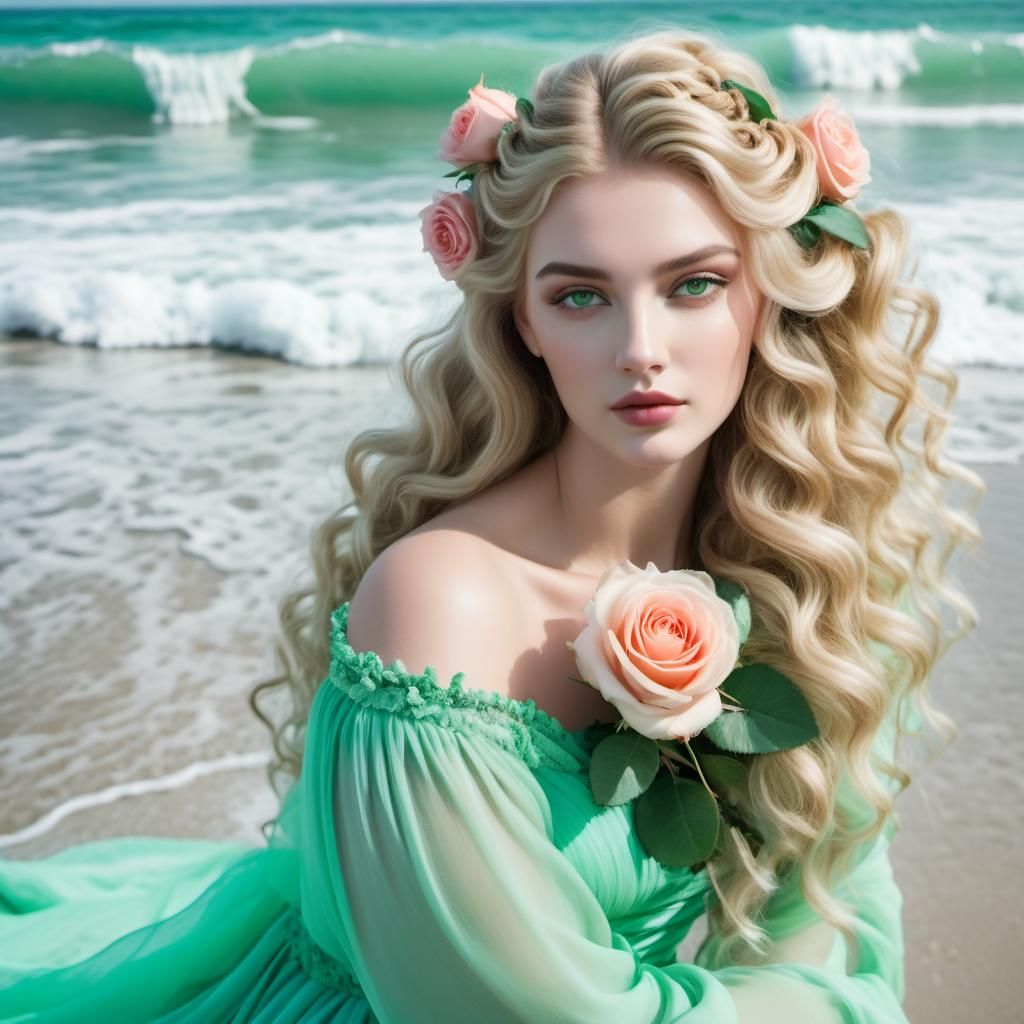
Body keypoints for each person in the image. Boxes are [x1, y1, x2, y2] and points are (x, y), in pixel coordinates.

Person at [0, 27, 983, 1023]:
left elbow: (832, 901)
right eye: (581, 296)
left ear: (770, 288)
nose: (640, 349)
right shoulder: (441, 609)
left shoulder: (793, 561)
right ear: (523, 318)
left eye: (694, 284)